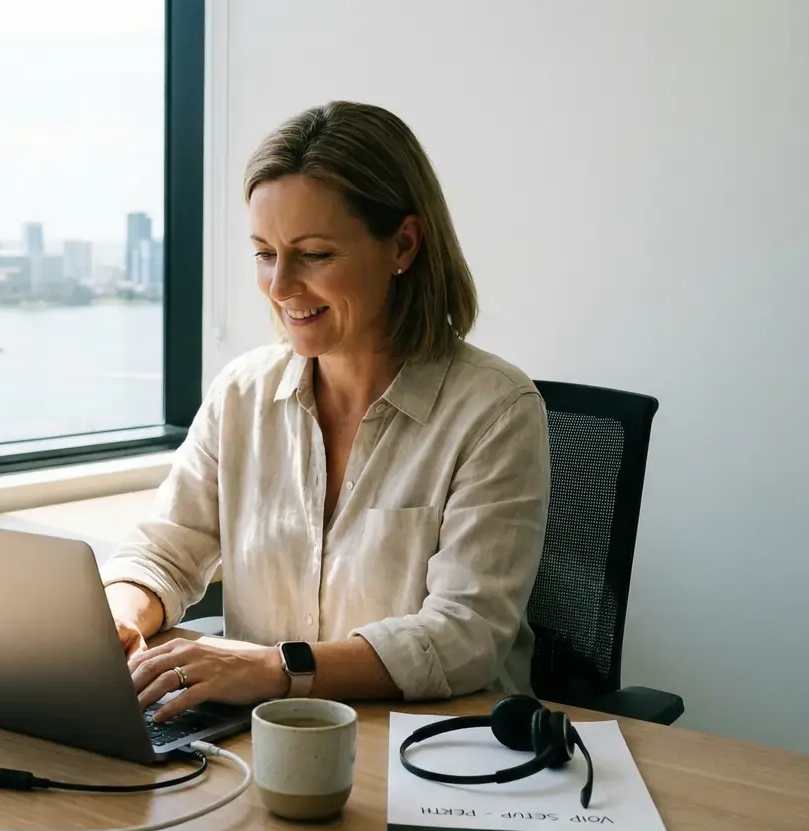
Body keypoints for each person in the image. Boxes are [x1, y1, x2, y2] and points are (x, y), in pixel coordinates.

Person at [100, 100, 551, 722]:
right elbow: (164, 552)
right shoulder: (242, 394)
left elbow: (463, 635)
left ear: (403, 245)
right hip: (264, 739)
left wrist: (270, 670)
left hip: (429, 746)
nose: (281, 286)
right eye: (264, 253)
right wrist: (121, 612)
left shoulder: (497, 411)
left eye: (313, 254)